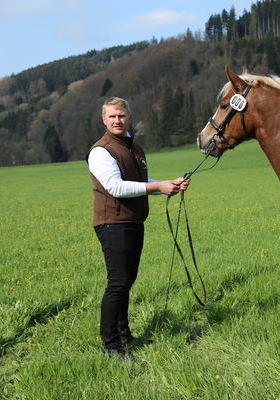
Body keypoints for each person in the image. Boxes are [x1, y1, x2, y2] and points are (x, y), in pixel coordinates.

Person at [87, 97, 190, 357]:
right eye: (112, 116)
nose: (117, 120)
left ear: (129, 117)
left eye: (121, 116)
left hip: (133, 222)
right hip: (112, 224)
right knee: (118, 283)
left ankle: (124, 335)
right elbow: (116, 187)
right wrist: (157, 187)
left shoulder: (135, 148)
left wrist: (169, 185)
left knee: (127, 281)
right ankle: (111, 345)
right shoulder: (101, 151)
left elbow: (140, 182)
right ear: (104, 120)